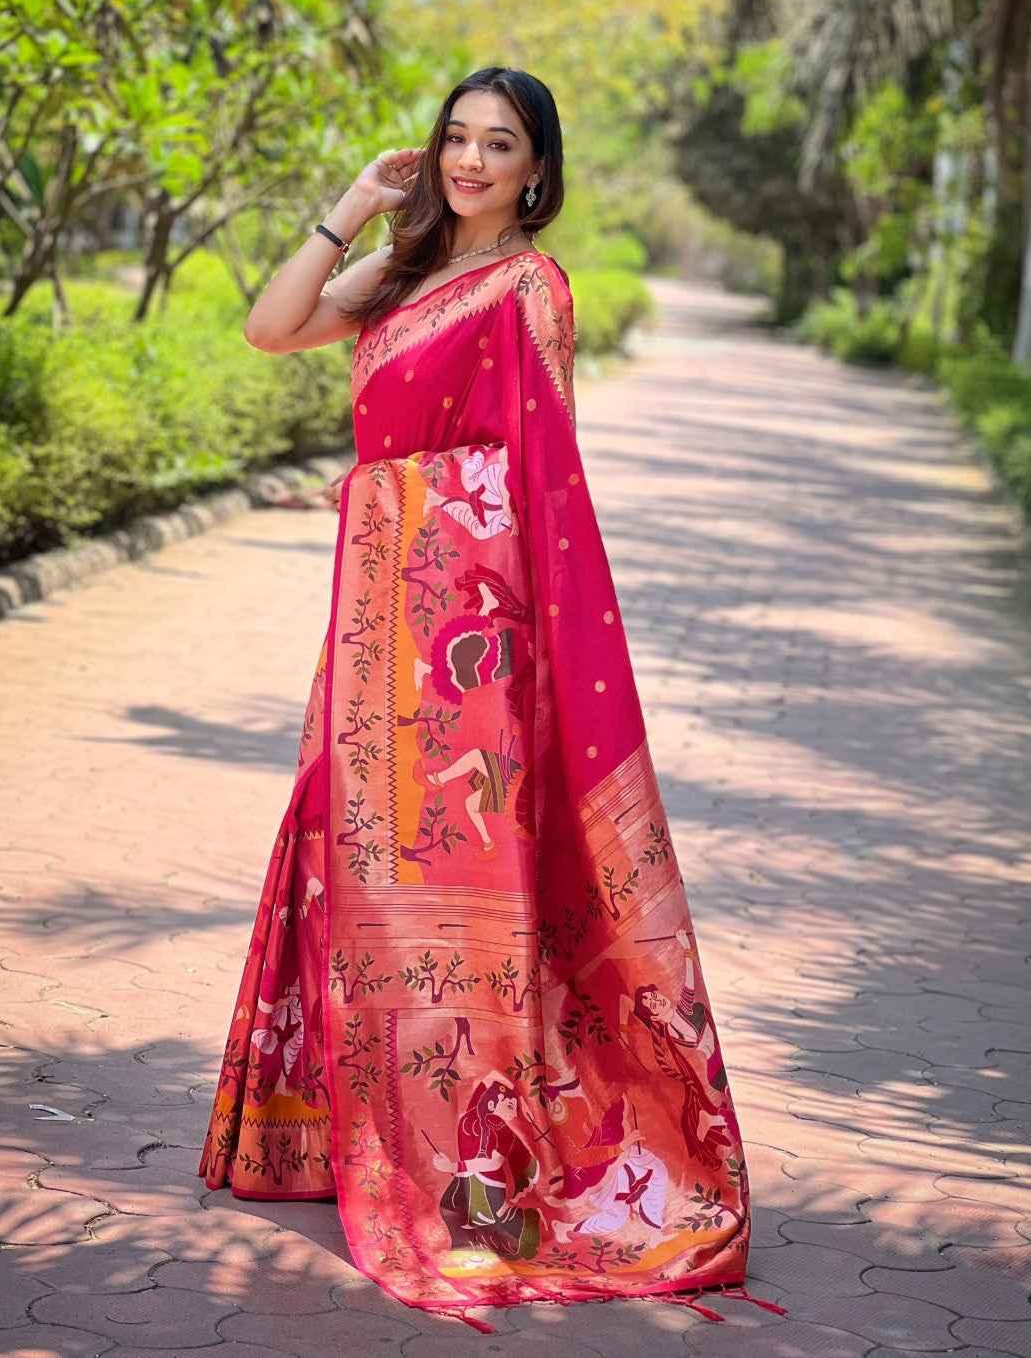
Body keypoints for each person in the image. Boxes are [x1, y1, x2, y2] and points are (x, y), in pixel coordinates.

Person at [196, 66, 787, 1334]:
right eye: (455, 138)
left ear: (536, 167)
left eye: (497, 144)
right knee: (341, 846)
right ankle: (327, 1128)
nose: (469, 161)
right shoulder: (406, 272)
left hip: (462, 628)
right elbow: (273, 326)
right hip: (373, 618)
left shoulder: (529, 288)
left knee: (456, 878)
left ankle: (467, 1152)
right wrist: (349, 207)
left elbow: (537, 479)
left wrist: (513, 672)